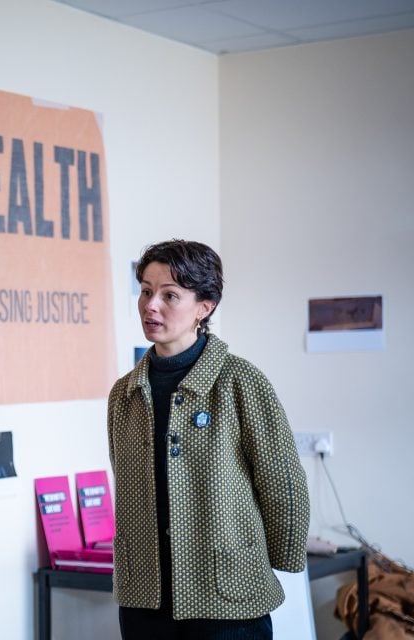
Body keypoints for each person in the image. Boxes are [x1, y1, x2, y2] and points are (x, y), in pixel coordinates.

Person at [107, 239, 309, 640]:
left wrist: (282, 556)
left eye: (169, 295)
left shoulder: (241, 382)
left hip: (227, 598)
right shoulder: (123, 393)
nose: (151, 305)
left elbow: (282, 482)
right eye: (146, 291)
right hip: (144, 599)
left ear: (205, 306)